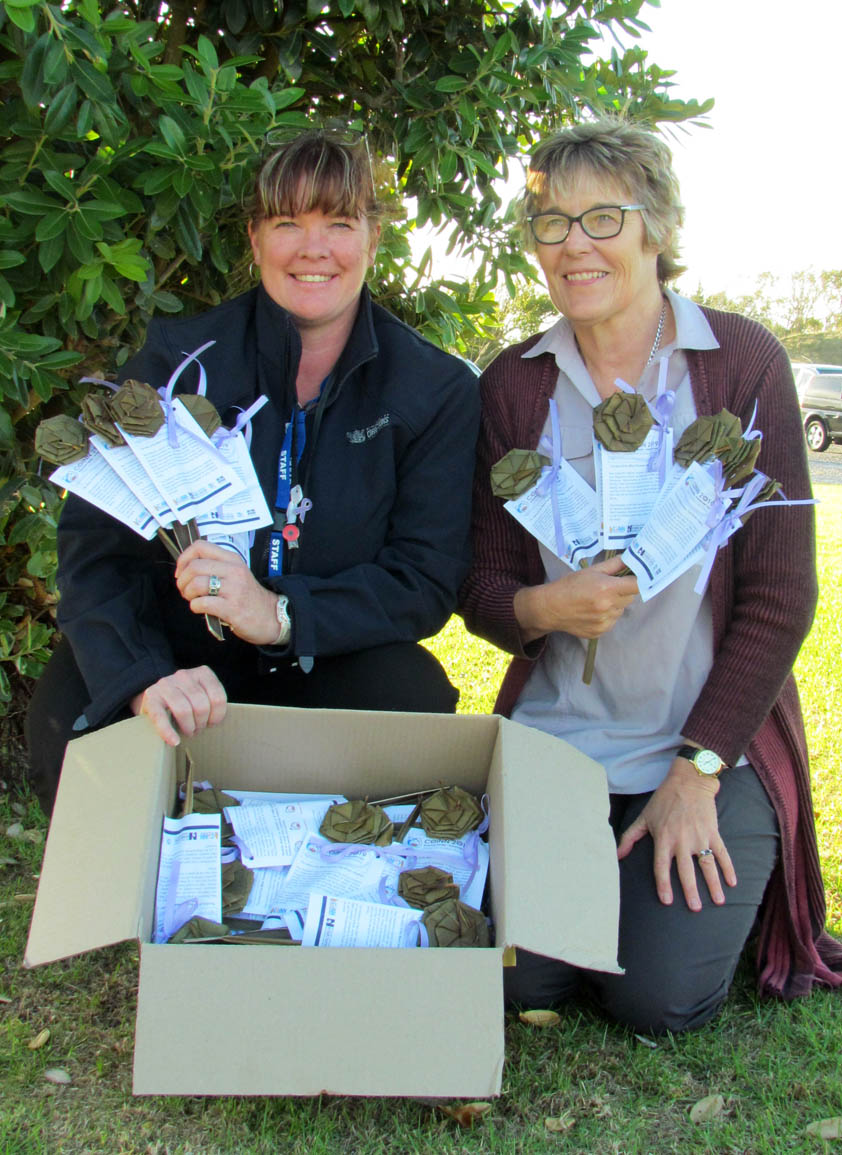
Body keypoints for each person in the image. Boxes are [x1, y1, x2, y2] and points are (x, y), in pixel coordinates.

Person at [459, 118, 842, 1032]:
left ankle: (701, 873)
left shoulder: (740, 363)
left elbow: (782, 598)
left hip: (707, 743)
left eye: (603, 217)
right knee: (521, 983)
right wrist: (540, 606)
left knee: (657, 997)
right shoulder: (513, 383)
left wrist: (697, 769)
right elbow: (478, 584)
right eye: (552, 223)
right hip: (560, 741)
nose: (574, 245)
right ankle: (598, 874)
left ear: (655, 229)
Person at [27, 128, 479, 816]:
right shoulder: (179, 361)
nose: (313, 248)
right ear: (255, 238)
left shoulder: (433, 387)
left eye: (338, 222)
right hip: (185, 652)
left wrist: (282, 614)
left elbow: (423, 580)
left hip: (326, 649)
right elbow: (95, 551)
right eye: (287, 222)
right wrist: (145, 678)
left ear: (372, 237)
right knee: (68, 717)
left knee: (412, 697)